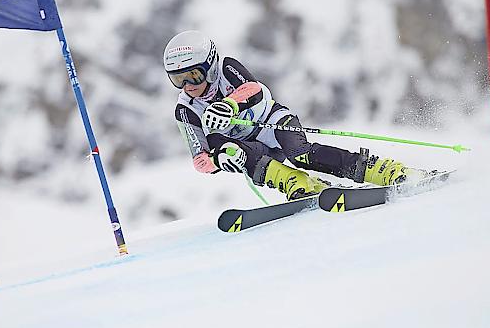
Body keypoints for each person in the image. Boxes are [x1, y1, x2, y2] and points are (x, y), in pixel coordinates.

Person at [164, 30, 410, 201]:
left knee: (300, 155)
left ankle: (377, 169)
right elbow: (200, 158)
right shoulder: (186, 110)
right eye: (177, 79)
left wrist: (230, 105)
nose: (187, 85)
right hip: (254, 147)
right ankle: (297, 183)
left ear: (209, 66)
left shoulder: (226, 68)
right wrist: (217, 163)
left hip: (273, 122)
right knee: (221, 145)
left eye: (193, 75)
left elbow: (254, 90)